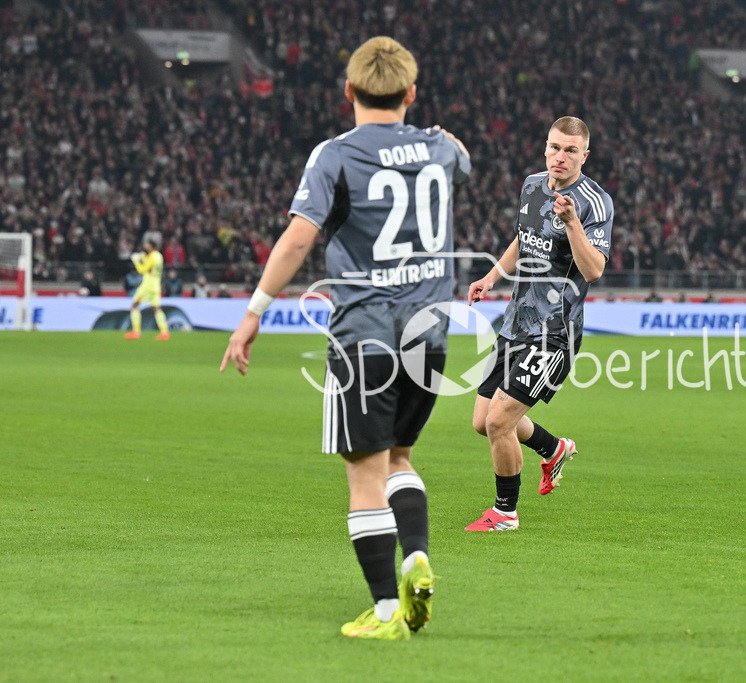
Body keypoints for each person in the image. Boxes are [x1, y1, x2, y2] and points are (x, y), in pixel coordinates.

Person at [220, 36, 470, 641]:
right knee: (402, 459)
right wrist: (437, 135)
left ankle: (387, 612)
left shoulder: (334, 155)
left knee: (365, 476)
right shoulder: (441, 150)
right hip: (429, 336)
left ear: (348, 92)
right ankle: (415, 557)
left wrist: (254, 311)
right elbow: (461, 154)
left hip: (365, 337)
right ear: (411, 93)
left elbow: (299, 238)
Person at [465, 116, 613, 532]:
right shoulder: (532, 186)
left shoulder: (594, 202)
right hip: (516, 322)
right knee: (483, 421)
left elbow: (594, 269)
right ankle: (553, 448)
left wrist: (572, 224)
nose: (559, 157)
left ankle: (505, 513)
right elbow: (523, 237)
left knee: (499, 421)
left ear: (585, 155)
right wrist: (492, 277)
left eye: (569, 150)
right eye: (553, 147)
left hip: (554, 334)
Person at [124, 239, 170, 340]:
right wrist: (143, 257)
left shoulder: (152, 256)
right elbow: (151, 265)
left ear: (151, 246)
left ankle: (136, 332)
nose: (145, 246)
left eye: (147, 245)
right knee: (156, 307)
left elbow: (143, 270)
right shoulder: (159, 256)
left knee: (135, 305)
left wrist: (136, 261)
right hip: (156, 284)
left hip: (148, 284)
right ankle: (164, 333)